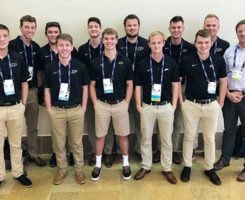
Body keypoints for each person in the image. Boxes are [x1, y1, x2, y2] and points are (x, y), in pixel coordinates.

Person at [179, 29, 227, 185]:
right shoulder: (187, 60)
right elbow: (178, 82)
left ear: (211, 43)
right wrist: (181, 101)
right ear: (195, 43)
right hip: (191, 104)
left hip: (211, 105)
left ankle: (209, 168)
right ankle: (187, 166)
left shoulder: (219, 60)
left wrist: (220, 102)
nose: (203, 45)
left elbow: (223, 82)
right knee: (189, 137)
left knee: (210, 138)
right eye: (200, 42)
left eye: (206, 42)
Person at [134, 31, 179, 184]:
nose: (156, 45)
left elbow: (175, 85)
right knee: (146, 138)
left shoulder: (171, 62)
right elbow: (138, 86)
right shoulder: (142, 64)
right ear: (149, 44)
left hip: (166, 106)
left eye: (159, 42)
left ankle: (167, 168)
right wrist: (139, 106)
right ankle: (146, 166)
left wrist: (173, 105)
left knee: (166, 140)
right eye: (153, 43)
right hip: (148, 106)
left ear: (163, 43)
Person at [44, 33, 89, 185]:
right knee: (59, 143)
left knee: (76, 142)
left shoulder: (79, 66)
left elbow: (85, 88)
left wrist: (83, 107)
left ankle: (79, 170)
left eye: (67, 45)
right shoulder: (50, 67)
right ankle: (62, 169)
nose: (64, 48)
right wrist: (49, 109)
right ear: (56, 47)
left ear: (71, 46)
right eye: (61, 45)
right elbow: (47, 90)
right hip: (57, 110)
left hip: (76, 110)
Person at [90, 28, 133, 181]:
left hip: (120, 103)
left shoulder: (125, 61)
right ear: (102, 40)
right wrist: (95, 103)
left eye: (112, 38)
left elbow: (130, 84)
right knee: (100, 136)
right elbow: (92, 85)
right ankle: (98, 165)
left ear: (116, 40)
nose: (109, 41)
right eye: (106, 39)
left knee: (123, 136)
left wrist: (127, 103)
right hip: (102, 104)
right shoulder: (96, 62)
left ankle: (126, 164)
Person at [36, 21, 76, 167]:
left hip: (71, 97)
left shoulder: (71, 49)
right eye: (50, 32)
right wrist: (43, 97)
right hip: (52, 97)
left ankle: (71, 153)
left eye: (56, 32)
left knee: (72, 129)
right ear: (46, 34)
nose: (53, 34)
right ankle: (56, 153)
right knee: (56, 129)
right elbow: (39, 76)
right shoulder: (41, 52)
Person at [9, 15, 46, 167]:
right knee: (14, 128)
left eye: (32, 27)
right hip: (14, 92)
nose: (30, 30)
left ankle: (33, 154)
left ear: (35, 29)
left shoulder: (36, 47)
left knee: (32, 126)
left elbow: (38, 72)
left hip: (31, 91)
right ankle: (15, 160)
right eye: (26, 27)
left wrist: (38, 89)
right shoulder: (11, 45)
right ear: (21, 28)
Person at [78, 17, 114, 167]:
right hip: (89, 91)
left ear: (100, 29)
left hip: (106, 92)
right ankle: (95, 150)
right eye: (91, 27)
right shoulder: (82, 50)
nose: (93, 29)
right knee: (92, 123)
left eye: (96, 26)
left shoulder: (107, 46)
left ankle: (108, 152)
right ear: (88, 29)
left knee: (109, 124)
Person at [0, 24, 32, 187]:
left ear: (9, 37)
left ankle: (18, 173)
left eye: (5, 35)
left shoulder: (17, 58)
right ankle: (0, 176)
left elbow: (24, 83)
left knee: (15, 143)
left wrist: (23, 105)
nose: (2, 39)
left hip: (15, 107)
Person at [214, 20, 245, 182]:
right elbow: (222, 76)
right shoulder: (229, 51)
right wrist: (227, 93)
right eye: (240, 31)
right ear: (236, 32)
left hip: (244, 96)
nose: (243, 34)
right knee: (229, 130)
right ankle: (225, 159)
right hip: (229, 96)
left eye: (244, 31)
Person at [117, 14, 150, 160]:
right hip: (121, 89)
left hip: (140, 88)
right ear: (125, 27)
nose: (132, 28)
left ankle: (140, 150)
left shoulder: (146, 44)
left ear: (139, 26)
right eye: (129, 25)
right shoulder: (117, 44)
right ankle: (119, 151)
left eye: (134, 25)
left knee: (140, 121)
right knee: (119, 121)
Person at [163, 16, 196, 164]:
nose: (176, 30)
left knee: (177, 121)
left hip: (182, 87)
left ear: (183, 28)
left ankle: (174, 149)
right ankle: (160, 149)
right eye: (173, 27)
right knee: (162, 120)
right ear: (169, 28)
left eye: (179, 27)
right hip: (163, 87)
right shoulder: (162, 45)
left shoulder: (190, 48)